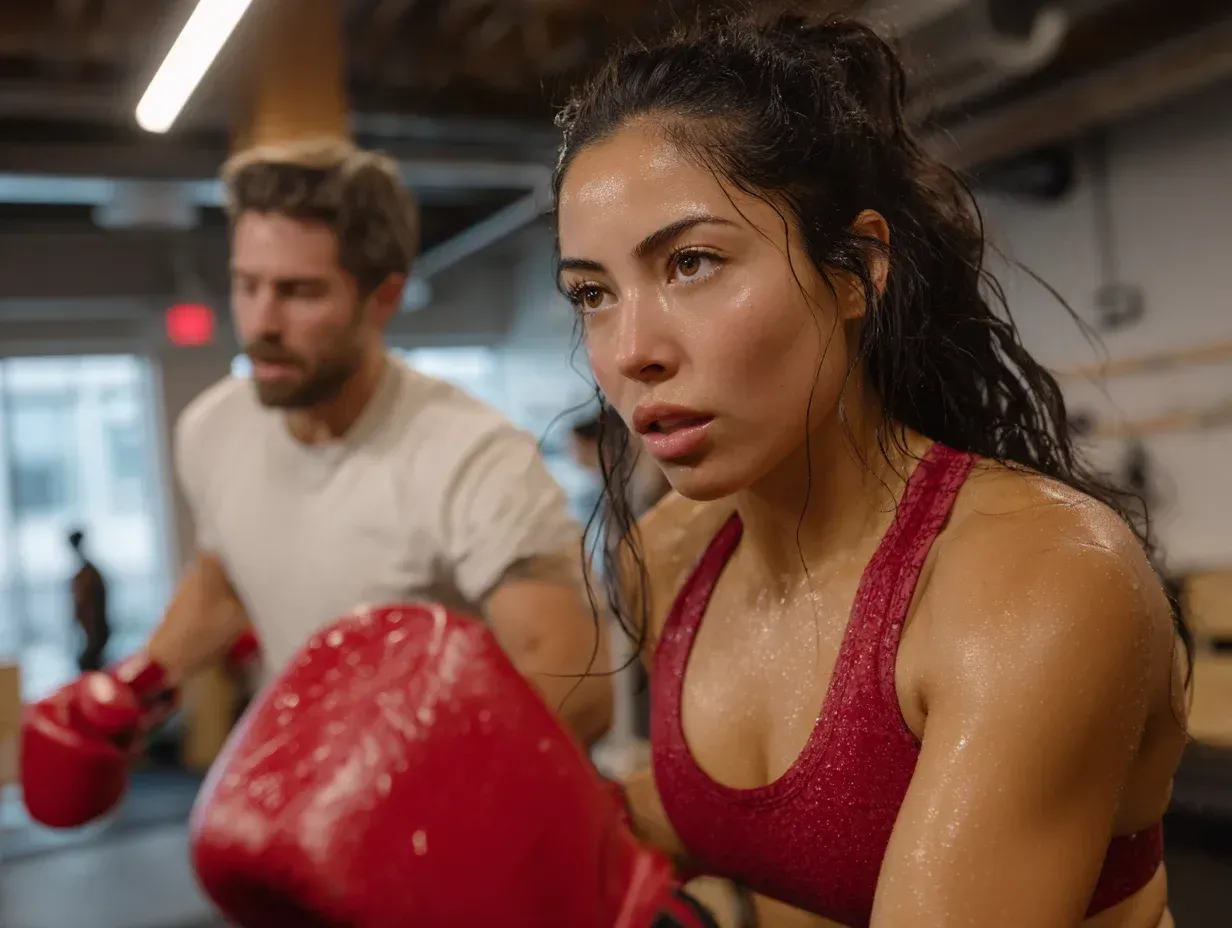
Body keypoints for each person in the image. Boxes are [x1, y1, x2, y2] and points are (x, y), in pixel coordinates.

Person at [550, 10, 1188, 928]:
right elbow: (751, 823)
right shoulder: (670, 556)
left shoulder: (1037, 583)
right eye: (593, 294)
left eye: (691, 262)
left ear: (856, 269)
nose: (632, 349)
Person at [20, 137, 612, 831]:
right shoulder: (215, 428)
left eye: (299, 292)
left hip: (451, 832)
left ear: (382, 297)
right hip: (308, 811)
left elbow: (573, 681)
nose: (262, 322)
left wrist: (422, 794)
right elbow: (227, 573)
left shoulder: (470, 456)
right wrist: (142, 681)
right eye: (248, 284)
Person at [67, 529, 109, 673]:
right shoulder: (87, 573)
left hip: (95, 629)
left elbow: (87, 603)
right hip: (92, 630)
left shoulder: (88, 574)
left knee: (88, 663)